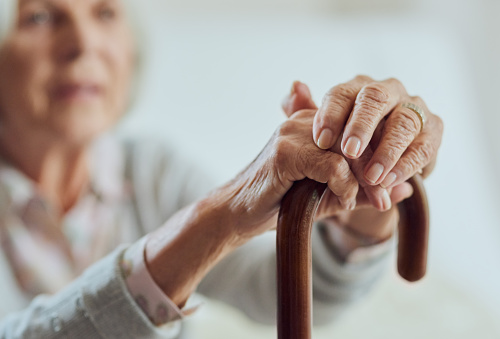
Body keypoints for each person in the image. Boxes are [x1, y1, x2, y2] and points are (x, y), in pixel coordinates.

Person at [0, 0, 443, 338]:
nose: (83, 44)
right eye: (38, 16)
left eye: (105, 13)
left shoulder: (150, 170)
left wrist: (368, 189)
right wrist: (217, 219)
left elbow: (284, 292)